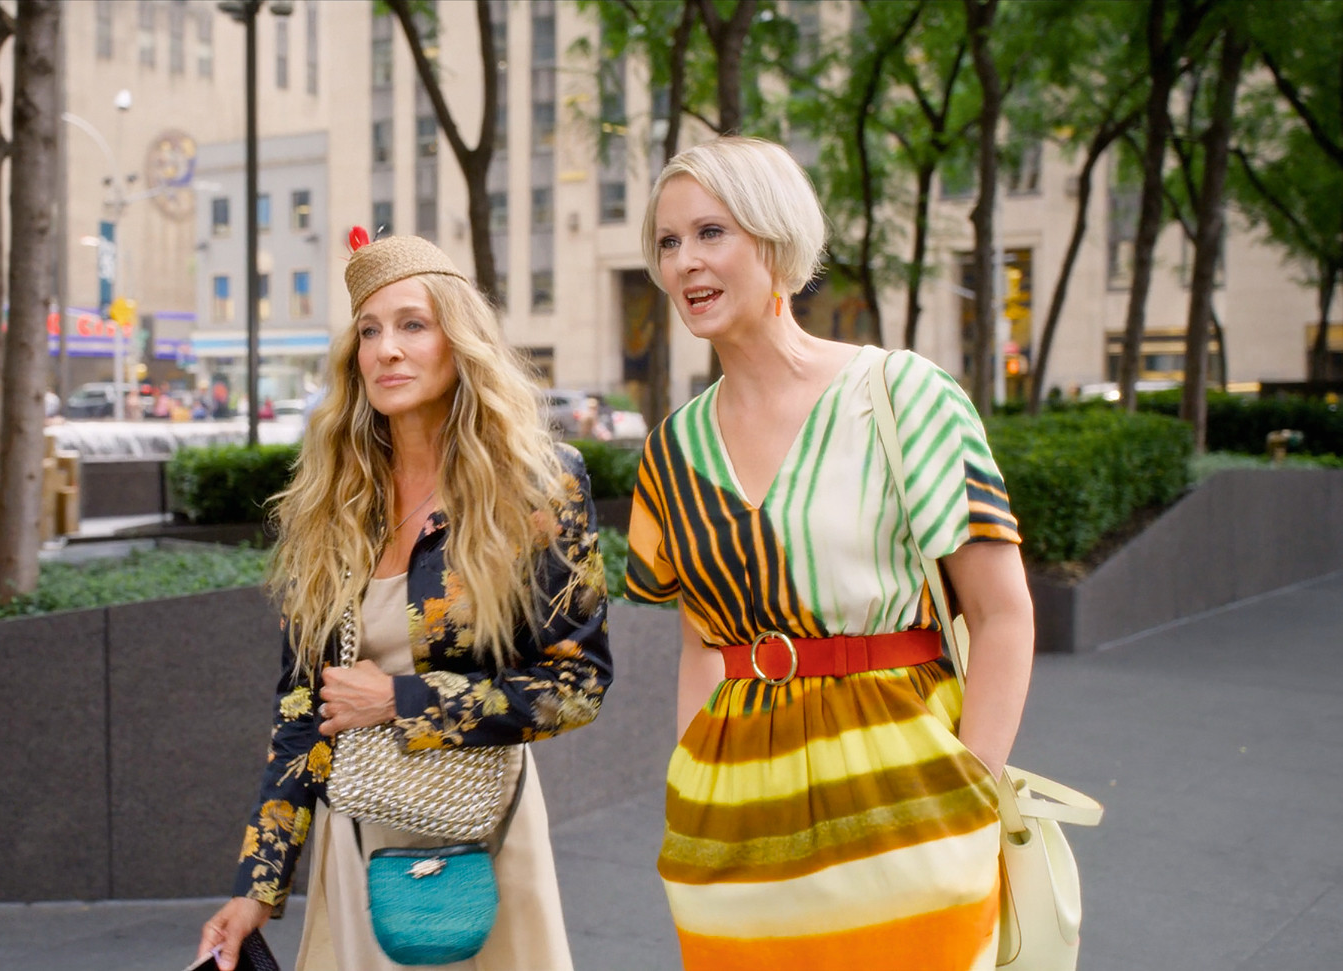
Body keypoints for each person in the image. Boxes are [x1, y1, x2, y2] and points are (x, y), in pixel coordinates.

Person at [624, 137, 1033, 969]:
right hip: (731, 831)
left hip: (911, 815)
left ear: (775, 239)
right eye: (668, 241)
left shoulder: (903, 395)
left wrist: (973, 791)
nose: (684, 261)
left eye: (711, 232)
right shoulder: (672, 450)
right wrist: (688, 789)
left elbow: (1002, 613)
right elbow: (701, 644)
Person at [197, 234, 612, 971]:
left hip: (480, 835)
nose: (386, 348)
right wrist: (257, 887)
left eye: (413, 324)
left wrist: (400, 700)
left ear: (460, 341)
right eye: (369, 330)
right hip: (359, 842)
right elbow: (301, 710)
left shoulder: (536, 485)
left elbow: (577, 685)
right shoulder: (332, 502)